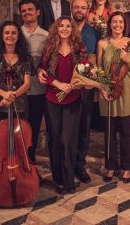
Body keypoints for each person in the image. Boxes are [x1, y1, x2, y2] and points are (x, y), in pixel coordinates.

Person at [38, 16, 86, 194]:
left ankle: (68, 180)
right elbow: (43, 71)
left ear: (72, 29)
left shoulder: (79, 48)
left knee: (68, 140)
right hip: (53, 99)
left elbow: (85, 69)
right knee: (55, 138)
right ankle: (57, 177)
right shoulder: (49, 48)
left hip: (73, 98)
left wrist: (76, 84)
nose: (65, 29)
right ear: (56, 29)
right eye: (61, 26)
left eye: (68, 26)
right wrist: (58, 85)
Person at [97, 11, 130, 183]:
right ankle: (111, 167)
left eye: (121, 22)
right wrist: (101, 88)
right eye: (114, 22)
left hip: (126, 89)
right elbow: (99, 69)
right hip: (107, 89)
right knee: (109, 132)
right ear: (110, 24)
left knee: (126, 132)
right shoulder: (102, 43)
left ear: (124, 24)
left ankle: (127, 168)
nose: (118, 25)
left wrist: (127, 59)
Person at [72, 0, 100, 183]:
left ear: (88, 10)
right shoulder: (64, 28)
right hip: (66, 87)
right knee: (67, 128)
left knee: (83, 127)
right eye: (76, 7)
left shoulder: (94, 33)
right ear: (72, 9)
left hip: (86, 89)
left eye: (83, 7)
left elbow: (96, 59)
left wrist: (94, 81)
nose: (80, 10)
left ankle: (79, 165)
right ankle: (67, 163)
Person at [19, 0, 49, 164]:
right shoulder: (16, 33)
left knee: (34, 126)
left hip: (38, 90)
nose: (27, 13)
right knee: (19, 127)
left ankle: (30, 160)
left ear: (37, 12)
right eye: (23, 11)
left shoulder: (46, 36)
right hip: (19, 91)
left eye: (30, 9)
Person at [0, 21, 33, 125]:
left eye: (13, 33)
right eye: (7, 33)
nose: (10, 36)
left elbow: (27, 84)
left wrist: (12, 96)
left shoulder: (26, 58)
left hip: (20, 105)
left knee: (18, 140)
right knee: (0, 139)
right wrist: (5, 95)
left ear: (18, 36)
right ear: (2, 36)